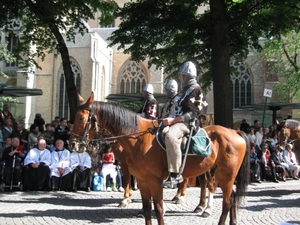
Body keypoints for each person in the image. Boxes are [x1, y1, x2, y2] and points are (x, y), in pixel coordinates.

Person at [162, 61, 208, 183]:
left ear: (187, 76)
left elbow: (193, 113)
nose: (179, 77)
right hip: (176, 120)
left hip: (187, 123)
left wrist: (173, 120)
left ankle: (175, 173)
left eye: (181, 75)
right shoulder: (183, 90)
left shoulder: (196, 89)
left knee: (171, 136)